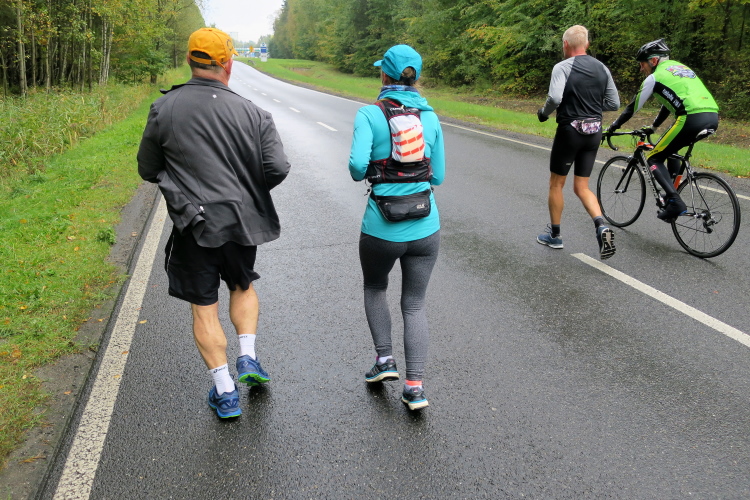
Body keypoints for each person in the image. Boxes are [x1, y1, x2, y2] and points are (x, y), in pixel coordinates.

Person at [137, 28, 291, 418]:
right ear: (227, 63)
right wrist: (246, 192)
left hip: (194, 225)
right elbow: (277, 167)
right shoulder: (253, 112)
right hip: (241, 221)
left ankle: (225, 392)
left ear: (189, 60)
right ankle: (248, 356)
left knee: (204, 307)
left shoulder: (164, 109)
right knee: (242, 284)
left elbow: (148, 168)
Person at [348, 45, 445, 410]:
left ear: (384, 74)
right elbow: (439, 175)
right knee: (415, 304)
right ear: (416, 77)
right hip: (425, 225)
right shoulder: (430, 117)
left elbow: (356, 168)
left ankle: (384, 360)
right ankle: (415, 387)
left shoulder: (369, 114)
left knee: (375, 287)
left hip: (381, 227)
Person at [607, 39, 719, 221]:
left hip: (690, 117)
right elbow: (668, 103)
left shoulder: (655, 77)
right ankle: (671, 194)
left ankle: (675, 201)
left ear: (653, 61)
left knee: (654, 157)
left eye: (642, 64)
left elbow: (632, 107)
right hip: (712, 116)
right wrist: (654, 127)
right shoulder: (680, 68)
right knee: (670, 150)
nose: (641, 69)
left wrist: (613, 127)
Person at [536, 25, 620, 259]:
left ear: (565, 44)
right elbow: (614, 103)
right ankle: (601, 225)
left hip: (570, 131)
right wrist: (591, 107)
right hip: (594, 132)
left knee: (556, 184)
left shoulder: (562, 67)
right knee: (582, 186)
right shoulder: (602, 67)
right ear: (587, 44)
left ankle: (555, 235)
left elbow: (555, 98)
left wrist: (543, 113)